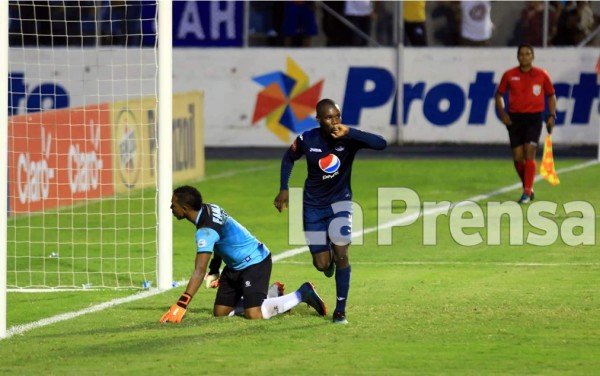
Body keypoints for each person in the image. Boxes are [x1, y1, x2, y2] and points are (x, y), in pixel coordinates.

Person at [273, 98, 387, 324]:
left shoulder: (349, 139)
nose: (334, 121)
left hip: (341, 204)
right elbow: (289, 158)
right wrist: (284, 188)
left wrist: (351, 132)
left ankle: (340, 311)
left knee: (342, 252)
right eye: (329, 117)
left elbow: (381, 143)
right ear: (319, 119)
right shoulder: (308, 139)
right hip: (313, 208)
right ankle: (329, 263)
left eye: (337, 116)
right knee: (322, 264)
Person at [160, 185, 327, 323]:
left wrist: (182, 304)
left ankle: (302, 293)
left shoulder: (205, 231)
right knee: (221, 312)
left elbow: (199, 270)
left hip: (255, 262)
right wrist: (215, 269)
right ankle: (272, 295)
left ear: (185, 208)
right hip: (234, 266)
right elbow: (219, 240)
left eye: (173, 205)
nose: (171, 208)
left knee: (253, 314)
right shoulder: (209, 209)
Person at [495, 44, 556, 204]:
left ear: (532, 56)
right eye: (521, 54)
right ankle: (528, 186)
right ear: (518, 57)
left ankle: (526, 192)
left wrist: (552, 115)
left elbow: (551, 95)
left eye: (527, 54)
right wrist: (503, 114)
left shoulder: (542, 75)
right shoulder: (509, 75)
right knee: (517, 157)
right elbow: (499, 95)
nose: (524, 56)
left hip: (534, 119)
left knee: (529, 152)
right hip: (515, 118)